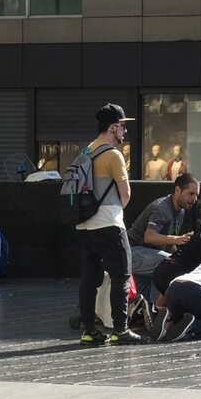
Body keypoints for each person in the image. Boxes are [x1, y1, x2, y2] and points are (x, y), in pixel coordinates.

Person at [76, 103, 147, 346]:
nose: (125, 132)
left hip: (85, 225)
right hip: (110, 223)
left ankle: (88, 331)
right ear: (113, 127)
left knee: (89, 279)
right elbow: (125, 193)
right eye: (123, 127)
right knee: (121, 276)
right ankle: (120, 330)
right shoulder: (114, 155)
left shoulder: (86, 150)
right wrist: (115, 210)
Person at [127, 173, 200, 301]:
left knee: (141, 300)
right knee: (171, 267)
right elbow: (149, 237)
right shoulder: (161, 208)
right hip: (131, 251)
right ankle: (167, 306)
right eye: (191, 193)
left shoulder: (180, 211)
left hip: (148, 253)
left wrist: (181, 257)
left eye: (196, 195)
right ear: (178, 190)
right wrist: (176, 239)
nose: (194, 199)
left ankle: (146, 314)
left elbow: (170, 244)